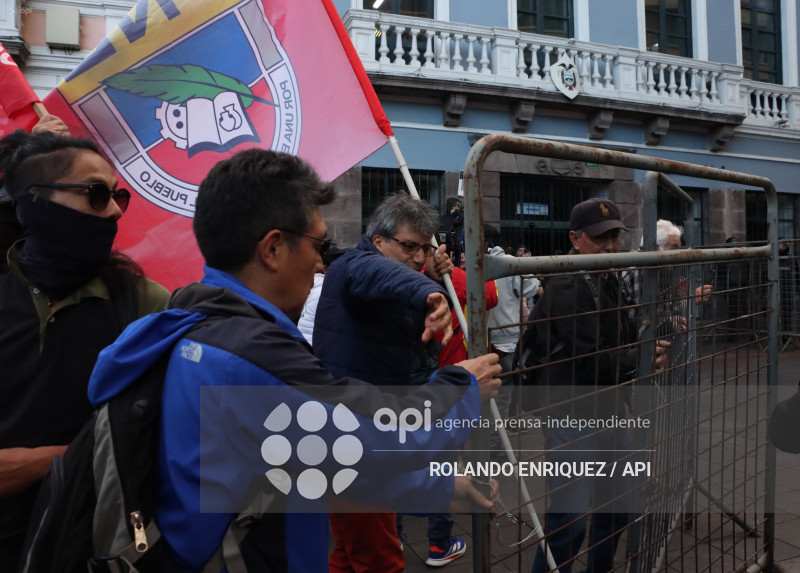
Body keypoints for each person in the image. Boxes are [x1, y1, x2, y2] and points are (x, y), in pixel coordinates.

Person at [85, 150, 501, 571]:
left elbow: (310, 461)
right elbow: (378, 438)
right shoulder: (248, 359)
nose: (321, 262)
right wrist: (460, 388)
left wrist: (434, 490)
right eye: (318, 245)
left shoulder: (194, 325)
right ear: (274, 248)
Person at [0, 130, 169, 571]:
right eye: (96, 194)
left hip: (89, 543)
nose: (113, 210)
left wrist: (48, 461)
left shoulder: (145, 305)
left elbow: (163, 431)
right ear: (34, 203)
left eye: (117, 196)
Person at [314, 192, 498, 570]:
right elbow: (382, 275)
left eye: (425, 248)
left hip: (363, 430)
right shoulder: (356, 265)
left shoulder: (406, 272)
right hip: (358, 435)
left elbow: (471, 295)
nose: (417, 257)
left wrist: (435, 278)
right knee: (379, 557)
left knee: (350, 551)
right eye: (409, 246)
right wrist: (428, 290)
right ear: (378, 240)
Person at [529, 198, 669, 573]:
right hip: (571, 416)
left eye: (613, 237)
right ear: (575, 239)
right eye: (599, 238)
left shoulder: (607, 279)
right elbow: (591, 359)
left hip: (607, 413)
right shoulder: (568, 285)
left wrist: (645, 348)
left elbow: (618, 341)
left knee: (618, 507)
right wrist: (639, 360)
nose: (609, 246)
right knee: (570, 522)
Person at [487, 245, 540, 456]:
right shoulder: (507, 263)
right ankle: (494, 447)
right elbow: (531, 288)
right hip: (506, 341)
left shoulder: (472, 261)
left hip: (480, 338)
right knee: (502, 397)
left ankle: (489, 445)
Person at [621, 219, 712, 330]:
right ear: (656, 247)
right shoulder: (639, 270)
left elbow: (664, 307)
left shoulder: (656, 267)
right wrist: (688, 301)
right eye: (674, 248)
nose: (678, 255)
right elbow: (647, 318)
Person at [297, 245, 347, 346]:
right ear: (325, 269)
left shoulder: (311, 285)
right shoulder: (326, 290)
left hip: (304, 343)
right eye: (339, 265)